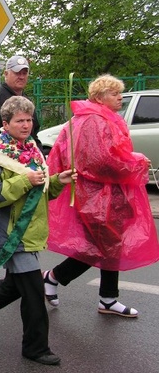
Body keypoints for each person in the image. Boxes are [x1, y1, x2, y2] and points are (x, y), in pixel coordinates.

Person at [0, 96, 75, 366]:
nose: (26, 125)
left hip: (32, 231)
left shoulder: (31, 148)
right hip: (12, 233)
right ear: (5, 124)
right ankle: (36, 348)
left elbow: (41, 193)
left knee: (14, 287)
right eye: (19, 120)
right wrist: (24, 180)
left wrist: (58, 180)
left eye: (29, 119)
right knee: (34, 292)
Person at [43, 74, 159, 317]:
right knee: (100, 246)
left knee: (107, 245)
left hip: (104, 195)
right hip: (97, 196)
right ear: (99, 97)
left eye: (120, 93)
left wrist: (132, 159)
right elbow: (99, 161)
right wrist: (136, 161)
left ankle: (106, 297)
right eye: (114, 93)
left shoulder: (99, 118)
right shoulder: (94, 121)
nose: (120, 97)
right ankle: (55, 278)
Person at [0, 55, 42, 253]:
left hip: (25, 169)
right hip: (6, 171)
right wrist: (2, 164)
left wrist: (40, 156)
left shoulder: (25, 101)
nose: (21, 76)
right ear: (6, 74)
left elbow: (32, 137)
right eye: (16, 72)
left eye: (24, 73)